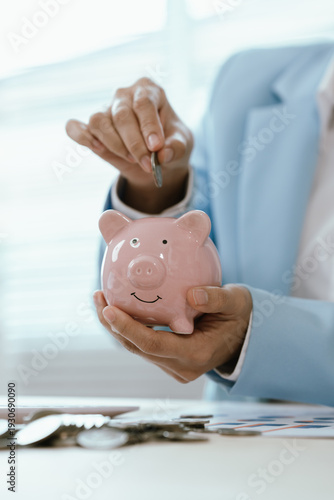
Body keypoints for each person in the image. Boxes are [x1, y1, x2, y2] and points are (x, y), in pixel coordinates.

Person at [66, 40, 334, 407]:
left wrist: (253, 338)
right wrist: (157, 181)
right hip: (232, 447)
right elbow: (167, 308)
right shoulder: (243, 83)